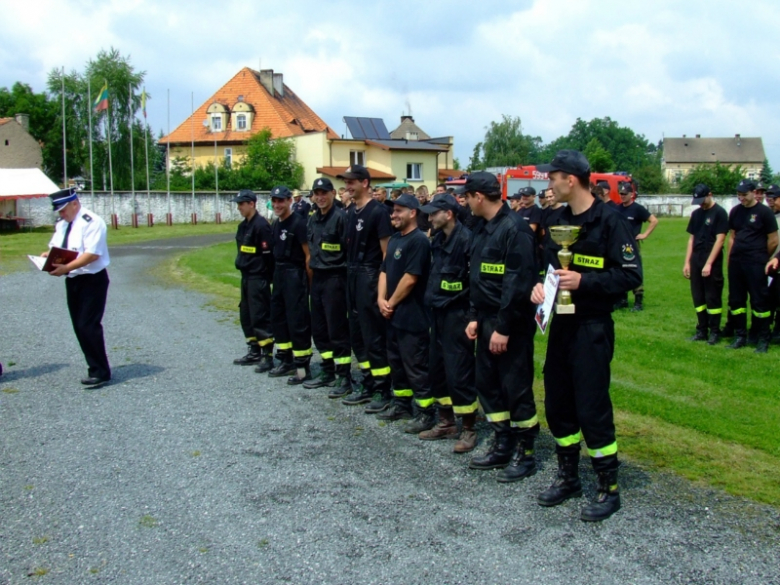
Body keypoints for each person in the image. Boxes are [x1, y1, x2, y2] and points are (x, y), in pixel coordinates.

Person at [532, 149, 642, 522]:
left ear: (571, 179)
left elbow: (630, 276)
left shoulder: (610, 221)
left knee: (591, 406)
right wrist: (540, 287)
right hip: (560, 326)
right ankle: (568, 477)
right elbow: (548, 267)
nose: (548, 183)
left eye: (553, 177)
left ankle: (608, 486)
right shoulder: (556, 219)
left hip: (592, 326)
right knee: (558, 402)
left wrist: (585, 281)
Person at [460, 173, 540, 482]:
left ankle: (526, 451)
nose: (465, 203)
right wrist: (474, 317)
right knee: (488, 384)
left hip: (511, 323)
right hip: (487, 318)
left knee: (515, 387)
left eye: (467, 197)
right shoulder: (482, 228)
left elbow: (517, 285)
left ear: (479, 196)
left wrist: (503, 329)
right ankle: (503, 441)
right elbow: (477, 278)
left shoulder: (515, 229)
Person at [419, 194, 479, 452]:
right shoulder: (438, 239)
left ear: (449, 213)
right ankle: (445, 421)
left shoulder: (467, 240)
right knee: (438, 368)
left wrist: (473, 317)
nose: (429, 218)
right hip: (437, 312)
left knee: (460, 371)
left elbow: (475, 283)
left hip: (457, 314)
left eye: (434, 213)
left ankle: (469, 428)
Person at [338, 165, 395, 411]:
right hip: (351, 275)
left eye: (352, 182)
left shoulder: (378, 212)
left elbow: (387, 254)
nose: (348, 186)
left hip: (370, 276)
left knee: (373, 335)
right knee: (357, 334)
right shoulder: (350, 212)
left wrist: (382, 289)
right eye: (346, 182)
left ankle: (383, 388)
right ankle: (369, 382)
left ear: (365, 183)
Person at [43, 187, 112, 389]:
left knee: (88, 325)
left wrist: (66, 267)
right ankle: (95, 367)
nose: (61, 214)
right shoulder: (63, 225)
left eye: (63, 210)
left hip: (92, 279)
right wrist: (46, 259)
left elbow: (92, 255)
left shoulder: (92, 222)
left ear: (75, 203)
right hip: (73, 279)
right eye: (59, 211)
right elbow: (57, 249)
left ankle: (101, 371)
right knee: (78, 326)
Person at [377, 194, 433, 431]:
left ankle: (426, 412)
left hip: (412, 315)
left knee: (415, 365)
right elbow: (385, 271)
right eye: (393, 211)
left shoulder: (419, 241)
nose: (394, 215)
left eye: (399, 210)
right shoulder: (395, 240)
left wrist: (391, 303)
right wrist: (381, 299)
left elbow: (411, 278)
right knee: (396, 362)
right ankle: (402, 404)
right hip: (393, 314)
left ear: (413, 213)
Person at [302, 177, 354, 396]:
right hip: (318, 279)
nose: (320, 197)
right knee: (320, 329)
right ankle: (327, 370)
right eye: (317, 193)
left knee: (337, 329)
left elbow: (349, 252)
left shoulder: (341, 218)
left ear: (333, 193)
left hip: (336, 279)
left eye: (324, 192)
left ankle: (344, 376)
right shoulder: (313, 220)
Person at [725, 179, 779, 353]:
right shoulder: (735, 211)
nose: (741, 198)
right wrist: (730, 257)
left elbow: (773, 240)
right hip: (737, 263)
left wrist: (762, 257)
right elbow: (733, 236)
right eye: (739, 195)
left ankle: (763, 338)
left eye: (744, 195)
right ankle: (740, 336)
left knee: (759, 301)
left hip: (756, 263)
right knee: (737, 301)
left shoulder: (764, 213)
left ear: (754, 193)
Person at [267, 186, 314, 383]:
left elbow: (308, 256)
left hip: (296, 275)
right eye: (275, 201)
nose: (278, 205)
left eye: (281, 201)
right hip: (280, 274)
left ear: (289, 201)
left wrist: (308, 284)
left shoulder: (299, 224)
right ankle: (285, 360)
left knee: (297, 321)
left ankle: (302, 367)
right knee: (278, 319)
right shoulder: (276, 223)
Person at [231, 189, 275, 371]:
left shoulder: (261, 225)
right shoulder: (244, 227)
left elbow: (268, 255)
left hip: (259, 277)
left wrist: (266, 277)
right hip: (246, 276)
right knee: (246, 314)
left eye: (242, 204)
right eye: (238, 204)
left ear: (252, 204)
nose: (239, 207)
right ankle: (254, 349)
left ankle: (267, 355)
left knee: (260, 314)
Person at [682, 184, 728, 345]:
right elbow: (691, 239)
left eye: (703, 200)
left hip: (711, 259)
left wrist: (709, 263)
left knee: (712, 297)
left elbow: (720, 239)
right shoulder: (696, 214)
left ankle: (715, 331)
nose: (701, 203)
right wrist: (687, 262)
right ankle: (702, 329)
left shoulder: (720, 213)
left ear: (710, 194)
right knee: (698, 296)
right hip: (697, 258)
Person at [613, 182, 658, 311]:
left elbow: (654, 220)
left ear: (631, 194)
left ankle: (638, 301)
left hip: (632, 245)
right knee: (620, 269)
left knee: (634, 269)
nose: (622, 196)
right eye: (620, 194)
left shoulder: (638, 209)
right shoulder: (617, 208)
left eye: (625, 194)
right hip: (619, 244)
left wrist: (645, 235)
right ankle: (622, 299)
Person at [764, 185, 780, 342]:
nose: (771, 202)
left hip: (778, 262)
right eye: (769, 199)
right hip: (769, 263)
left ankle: (777, 330)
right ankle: (765, 328)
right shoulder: (768, 216)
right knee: (769, 298)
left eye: (774, 199)